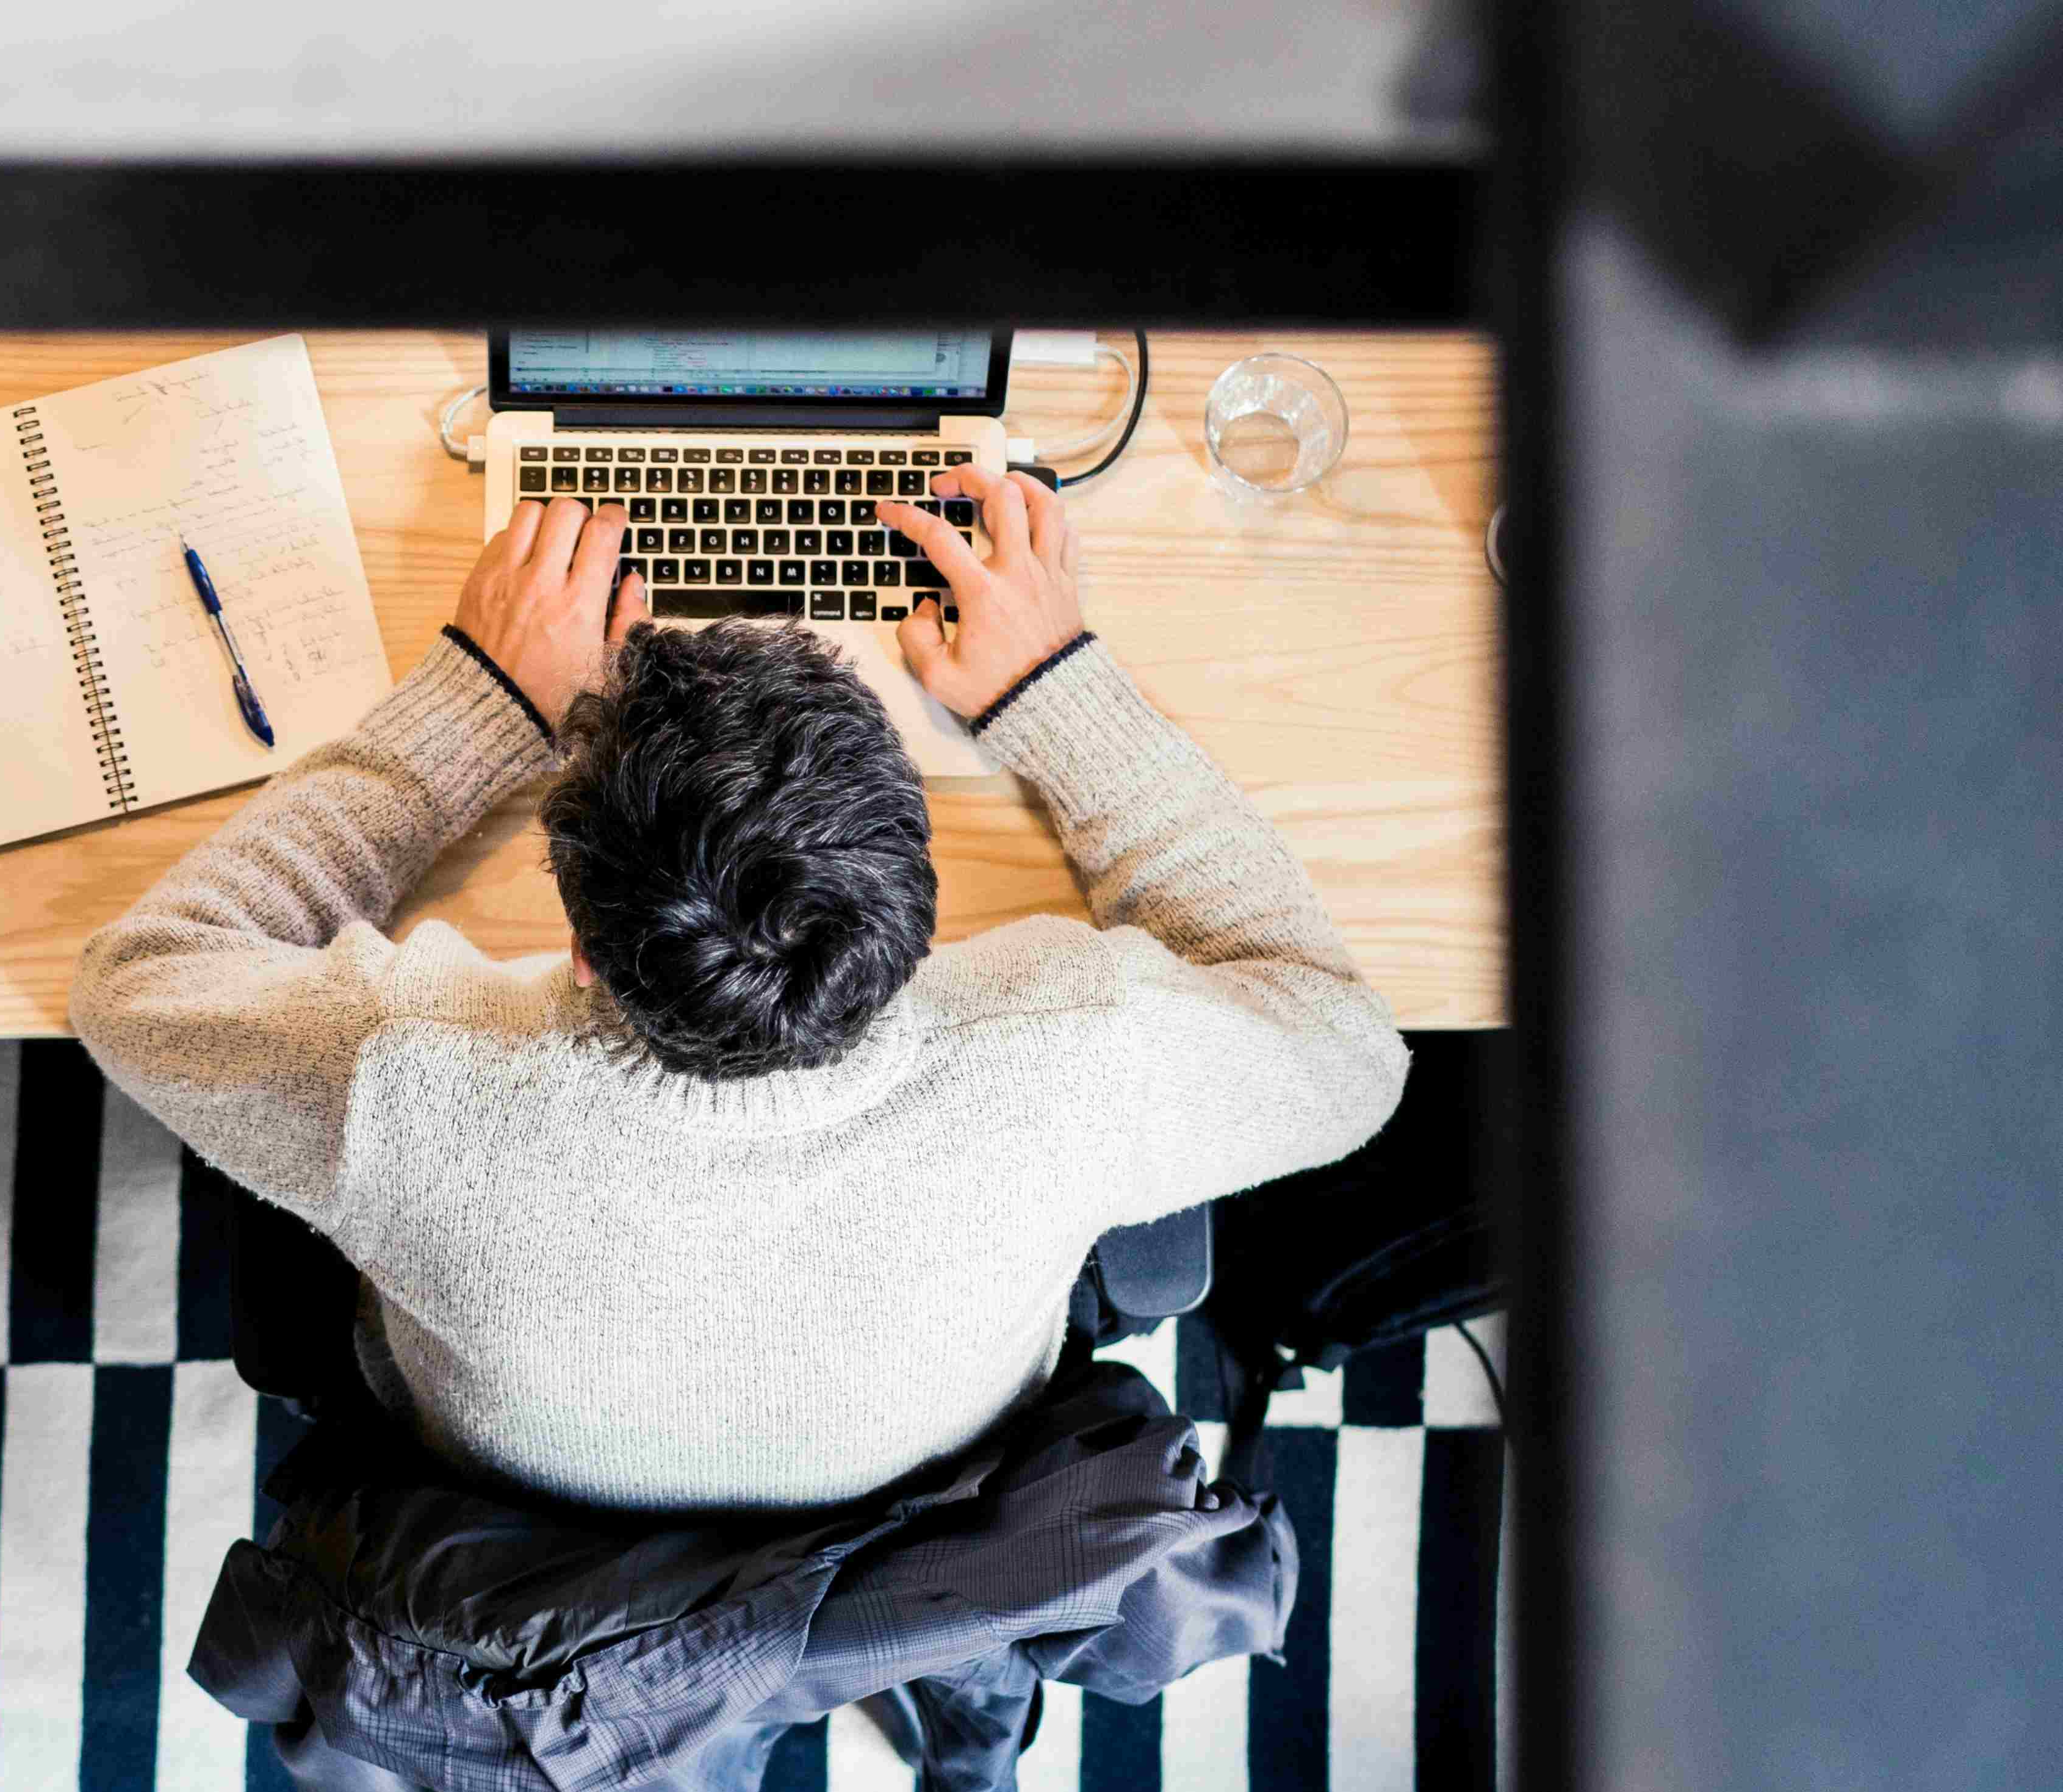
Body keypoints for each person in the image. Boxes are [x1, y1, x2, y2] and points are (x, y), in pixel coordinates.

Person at [71, 470, 1406, 1511]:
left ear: (582, 953)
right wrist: (1055, 692)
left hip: (508, 1514)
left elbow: (140, 977)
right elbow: (1341, 1038)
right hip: (923, 1507)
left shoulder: (410, 1076)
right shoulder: (1068, 1056)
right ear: (913, 907)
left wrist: (479, 703)